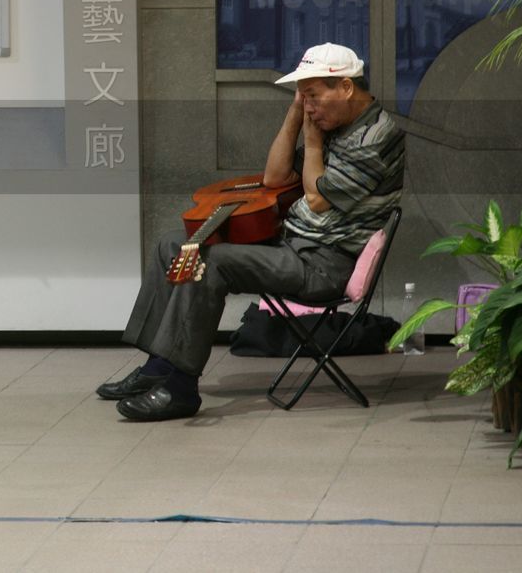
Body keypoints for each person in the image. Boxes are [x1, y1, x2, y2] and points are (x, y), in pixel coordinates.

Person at [97, 42, 405, 421]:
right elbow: (274, 177)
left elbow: (318, 196)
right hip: (293, 245)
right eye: (302, 97)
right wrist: (296, 112)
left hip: (324, 263)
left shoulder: (378, 136)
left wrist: (311, 142)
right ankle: (157, 367)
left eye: (313, 96)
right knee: (173, 245)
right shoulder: (332, 122)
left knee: (210, 261)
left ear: (345, 87)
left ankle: (180, 388)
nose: (309, 107)